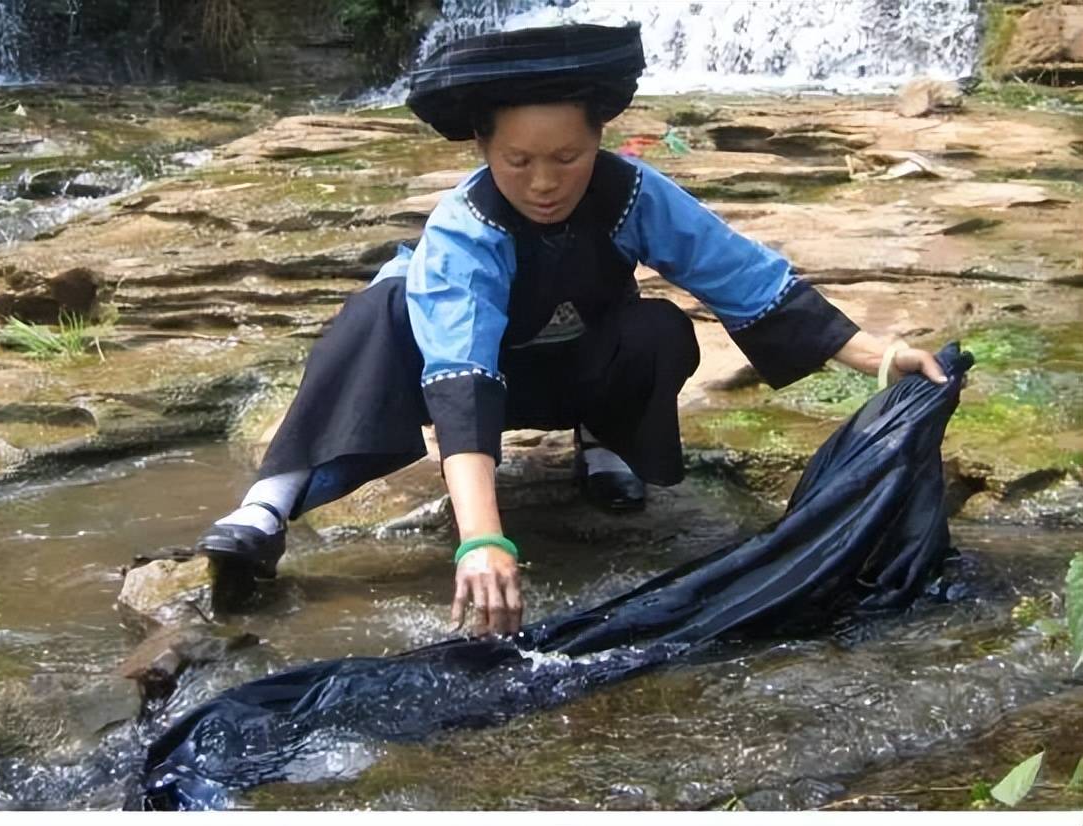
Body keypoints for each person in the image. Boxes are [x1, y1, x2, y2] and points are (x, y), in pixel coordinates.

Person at [194, 23, 947, 637]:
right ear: (484, 150)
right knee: (377, 311)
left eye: (569, 156)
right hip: (465, 383)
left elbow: (742, 276)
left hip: (572, 369)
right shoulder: (463, 228)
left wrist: (880, 357)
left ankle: (604, 440)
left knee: (660, 327)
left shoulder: (636, 193)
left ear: (602, 141)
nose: (545, 182)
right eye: (518, 160)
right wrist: (482, 539)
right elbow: (460, 377)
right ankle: (272, 501)